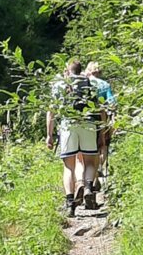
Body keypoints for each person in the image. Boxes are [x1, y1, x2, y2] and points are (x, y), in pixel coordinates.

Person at [46, 57, 115, 213]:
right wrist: (102, 133)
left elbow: (51, 112)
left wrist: (49, 135)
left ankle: (70, 203)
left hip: (68, 125)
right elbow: (101, 110)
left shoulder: (60, 85)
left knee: (68, 166)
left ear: (67, 70)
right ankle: (89, 187)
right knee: (90, 161)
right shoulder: (90, 84)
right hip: (88, 124)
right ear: (80, 70)